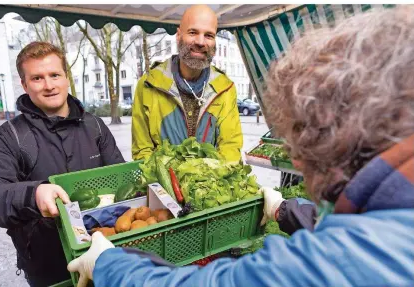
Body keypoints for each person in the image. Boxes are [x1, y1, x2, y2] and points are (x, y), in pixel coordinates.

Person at [67, 7, 414, 287]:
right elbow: (144, 152)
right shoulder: (386, 214)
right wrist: (286, 210)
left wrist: (108, 265)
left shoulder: (346, 254)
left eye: (300, 137)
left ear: (338, 137)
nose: (293, 157)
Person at [0, 42, 125, 286]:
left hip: (102, 254)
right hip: (48, 264)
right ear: (25, 84)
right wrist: (33, 194)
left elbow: (120, 178)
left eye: (54, 75)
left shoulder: (95, 126)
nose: (49, 85)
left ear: (66, 78)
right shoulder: (10, 136)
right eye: (38, 78)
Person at [131, 5, 243, 162]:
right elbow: (142, 151)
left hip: (209, 182)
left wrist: (206, 182)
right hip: (164, 184)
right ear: (178, 35)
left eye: (209, 35)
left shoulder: (225, 88)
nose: (200, 42)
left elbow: (230, 147)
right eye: (193, 32)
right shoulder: (148, 85)